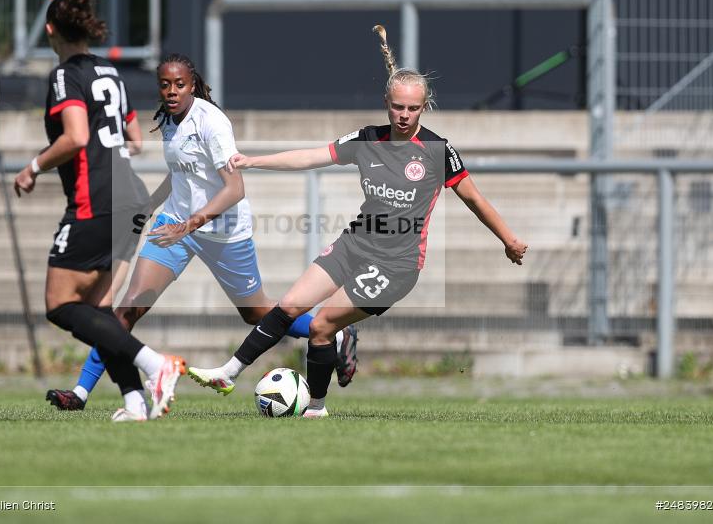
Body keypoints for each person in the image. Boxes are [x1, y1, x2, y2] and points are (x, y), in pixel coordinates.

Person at [188, 25, 528, 417]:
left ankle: (316, 406)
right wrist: (254, 161)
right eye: (397, 107)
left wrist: (508, 239)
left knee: (321, 326)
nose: (404, 115)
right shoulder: (367, 139)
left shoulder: (437, 150)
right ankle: (228, 372)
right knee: (290, 304)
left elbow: (474, 198)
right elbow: (312, 156)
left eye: (412, 108)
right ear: (386, 102)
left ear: (424, 106)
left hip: (397, 265)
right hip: (355, 244)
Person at [44, 52, 360, 412]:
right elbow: (181, 171)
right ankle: (81, 392)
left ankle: (333, 332)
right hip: (175, 224)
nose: (172, 91)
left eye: (179, 84)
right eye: (165, 85)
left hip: (224, 231)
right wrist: (151, 206)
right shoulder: (167, 119)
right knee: (128, 308)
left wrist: (189, 225)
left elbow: (234, 189)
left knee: (256, 313)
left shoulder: (212, 122)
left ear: (192, 85)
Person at [13, 0, 185, 422]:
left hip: (97, 199)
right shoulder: (110, 71)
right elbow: (135, 140)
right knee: (99, 310)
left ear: (50, 29)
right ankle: (134, 402)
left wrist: (33, 167)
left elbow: (75, 136)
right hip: (130, 196)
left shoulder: (64, 76)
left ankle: (155, 364)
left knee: (60, 304)